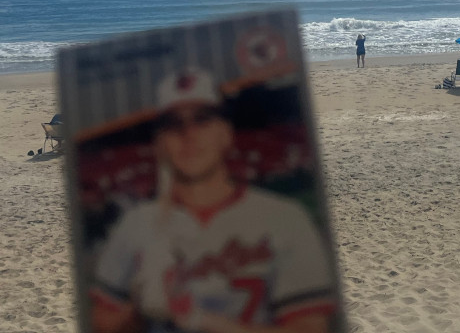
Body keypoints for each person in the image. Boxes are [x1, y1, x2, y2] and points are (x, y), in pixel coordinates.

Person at [91, 68, 336, 333]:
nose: (189, 134)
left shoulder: (285, 217)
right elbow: (101, 321)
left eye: (202, 120)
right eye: (174, 125)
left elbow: (310, 328)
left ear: (226, 134)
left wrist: (203, 321)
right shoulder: (136, 223)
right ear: (159, 144)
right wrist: (136, 311)